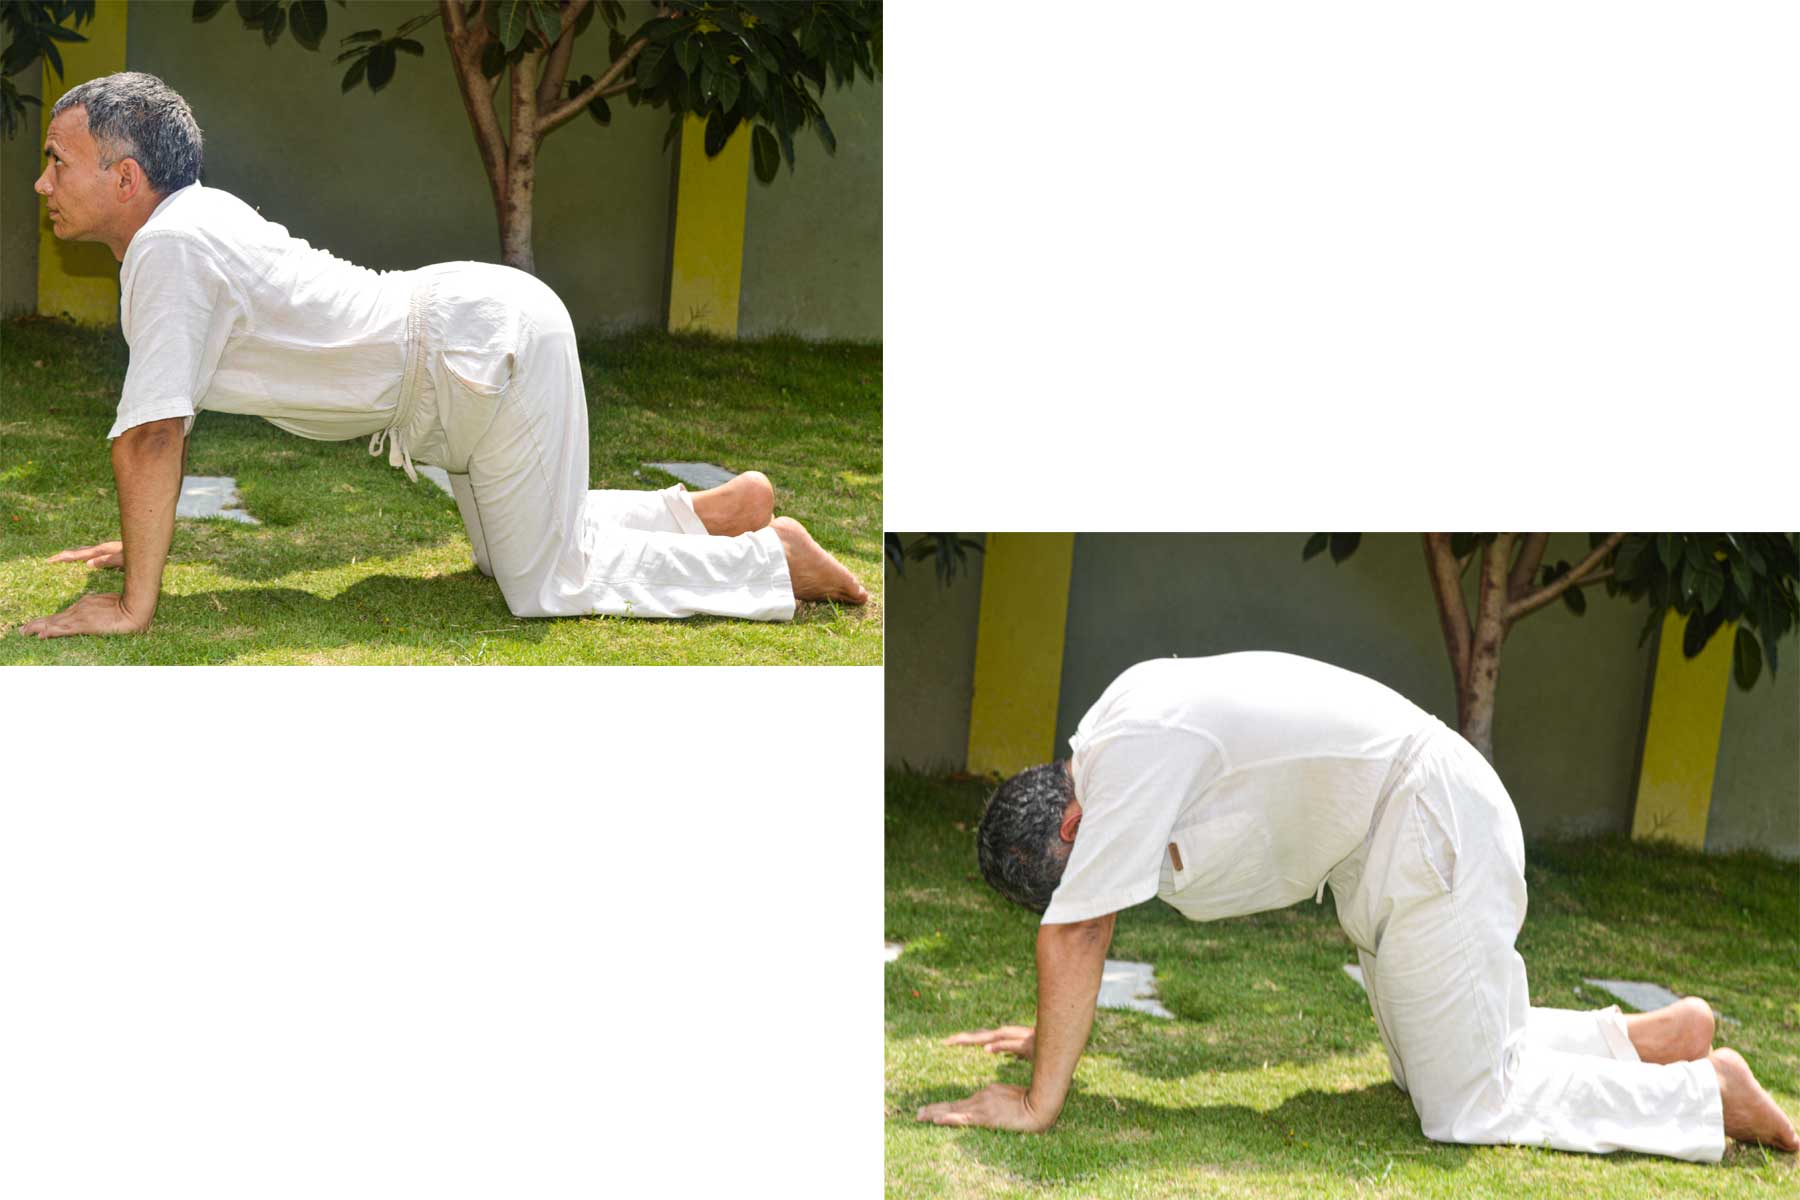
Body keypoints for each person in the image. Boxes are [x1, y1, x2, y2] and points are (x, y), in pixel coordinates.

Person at [20, 72, 868, 640]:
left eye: (58, 163)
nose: (42, 184)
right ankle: (709, 515)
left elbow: (152, 437)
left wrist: (135, 607)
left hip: (476, 355)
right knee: (511, 558)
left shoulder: (171, 248)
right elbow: (165, 428)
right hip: (468, 355)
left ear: (126, 178)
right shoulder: (186, 229)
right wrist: (142, 543)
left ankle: (772, 559)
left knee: (544, 588)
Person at [918, 652, 1799, 1162]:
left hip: (1426, 825)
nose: (1090, 888)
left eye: (1075, 873)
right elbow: (1084, 918)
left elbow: (1081, 929)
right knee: (1430, 1071)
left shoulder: (1131, 756)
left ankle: (1705, 1096)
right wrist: (1047, 1033)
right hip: (1394, 843)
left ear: (1072, 816)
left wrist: (1038, 1103)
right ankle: (1644, 1041)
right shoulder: (1114, 738)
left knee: (1464, 1109)